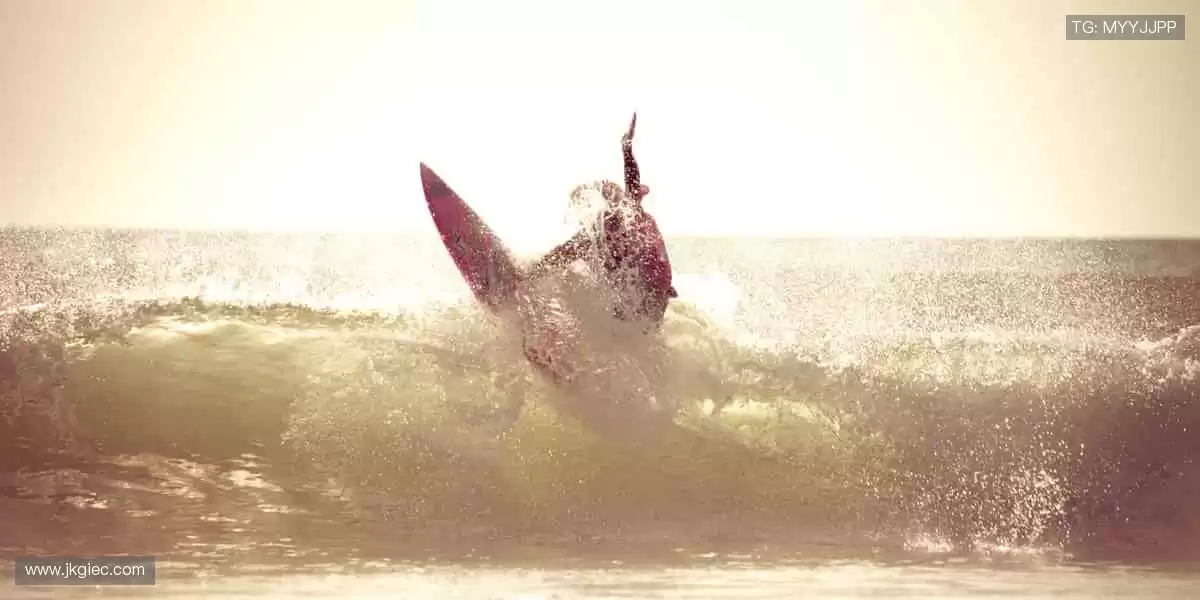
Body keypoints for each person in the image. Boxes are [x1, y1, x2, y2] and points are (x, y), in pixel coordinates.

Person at [522, 113, 678, 331]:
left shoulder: (620, 216)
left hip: (651, 289)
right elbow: (632, 181)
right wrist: (626, 149)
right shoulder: (615, 222)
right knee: (634, 326)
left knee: (612, 305)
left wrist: (529, 273)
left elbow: (632, 181)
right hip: (655, 292)